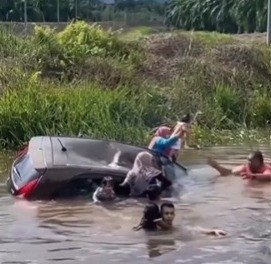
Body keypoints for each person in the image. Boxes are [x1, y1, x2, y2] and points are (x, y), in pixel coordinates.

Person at [151, 202, 226, 236]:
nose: (169, 216)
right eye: (166, 213)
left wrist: (212, 231)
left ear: (174, 215)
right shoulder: (155, 226)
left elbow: (194, 229)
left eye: (171, 213)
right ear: (161, 214)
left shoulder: (176, 227)